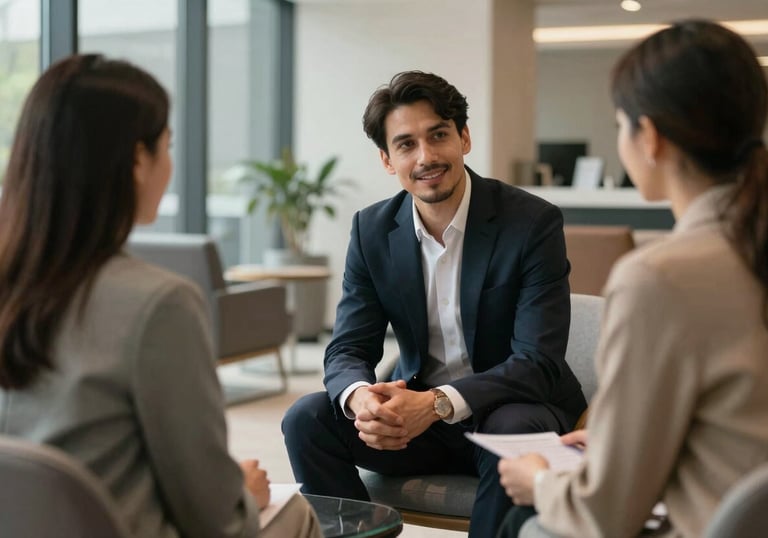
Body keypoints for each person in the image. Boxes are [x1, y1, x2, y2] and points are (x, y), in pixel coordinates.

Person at [0, 54, 320, 538]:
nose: (170, 163)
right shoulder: (159, 304)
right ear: (136, 160)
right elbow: (216, 521)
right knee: (295, 512)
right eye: (166, 146)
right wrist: (244, 492)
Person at [282, 70, 587, 537]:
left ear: (464, 138)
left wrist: (437, 403)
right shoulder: (371, 230)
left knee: (512, 426)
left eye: (438, 135)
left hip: (513, 409)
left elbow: (537, 361)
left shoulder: (531, 223)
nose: (425, 157)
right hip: (418, 423)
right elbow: (347, 348)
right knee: (307, 419)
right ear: (387, 160)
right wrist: (362, 398)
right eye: (406, 144)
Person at [496, 19, 768, 538]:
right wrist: (614, 441)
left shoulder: (659, 279)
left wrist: (539, 481)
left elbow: (606, 512)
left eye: (620, 124)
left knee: (525, 520)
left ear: (651, 137)